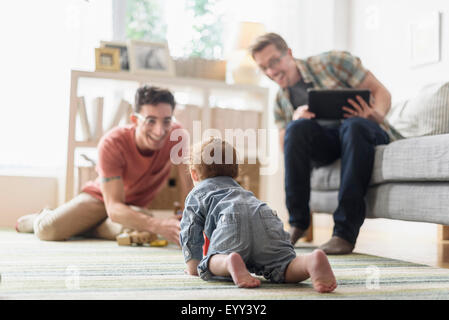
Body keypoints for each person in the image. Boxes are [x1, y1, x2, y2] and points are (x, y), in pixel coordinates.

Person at [250, 33, 392, 254]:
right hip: (329, 145)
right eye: (264, 68)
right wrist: (294, 122)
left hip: (364, 132)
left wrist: (375, 114)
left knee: (353, 126)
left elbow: (382, 92)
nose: (271, 72)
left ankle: (344, 234)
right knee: (295, 129)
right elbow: (285, 147)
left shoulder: (333, 62)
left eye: (274, 62)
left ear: (289, 53)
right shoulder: (280, 100)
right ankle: (298, 223)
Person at [16, 85, 193, 245]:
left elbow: (189, 186)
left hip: (133, 208)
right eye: (151, 121)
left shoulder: (177, 136)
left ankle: (81, 226)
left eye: (166, 121)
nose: (160, 130)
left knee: (143, 224)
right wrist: (160, 226)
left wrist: (190, 216)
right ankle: (41, 217)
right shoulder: (113, 142)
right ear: (135, 120)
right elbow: (114, 207)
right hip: (101, 199)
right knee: (49, 230)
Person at [180, 138, 337, 293]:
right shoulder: (241, 191)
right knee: (284, 266)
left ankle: (229, 261)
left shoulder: (198, 194)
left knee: (211, 262)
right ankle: (310, 261)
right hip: (263, 214)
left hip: (231, 221)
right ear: (234, 171)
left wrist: (193, 266)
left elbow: (190, 231)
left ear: (194, 174)